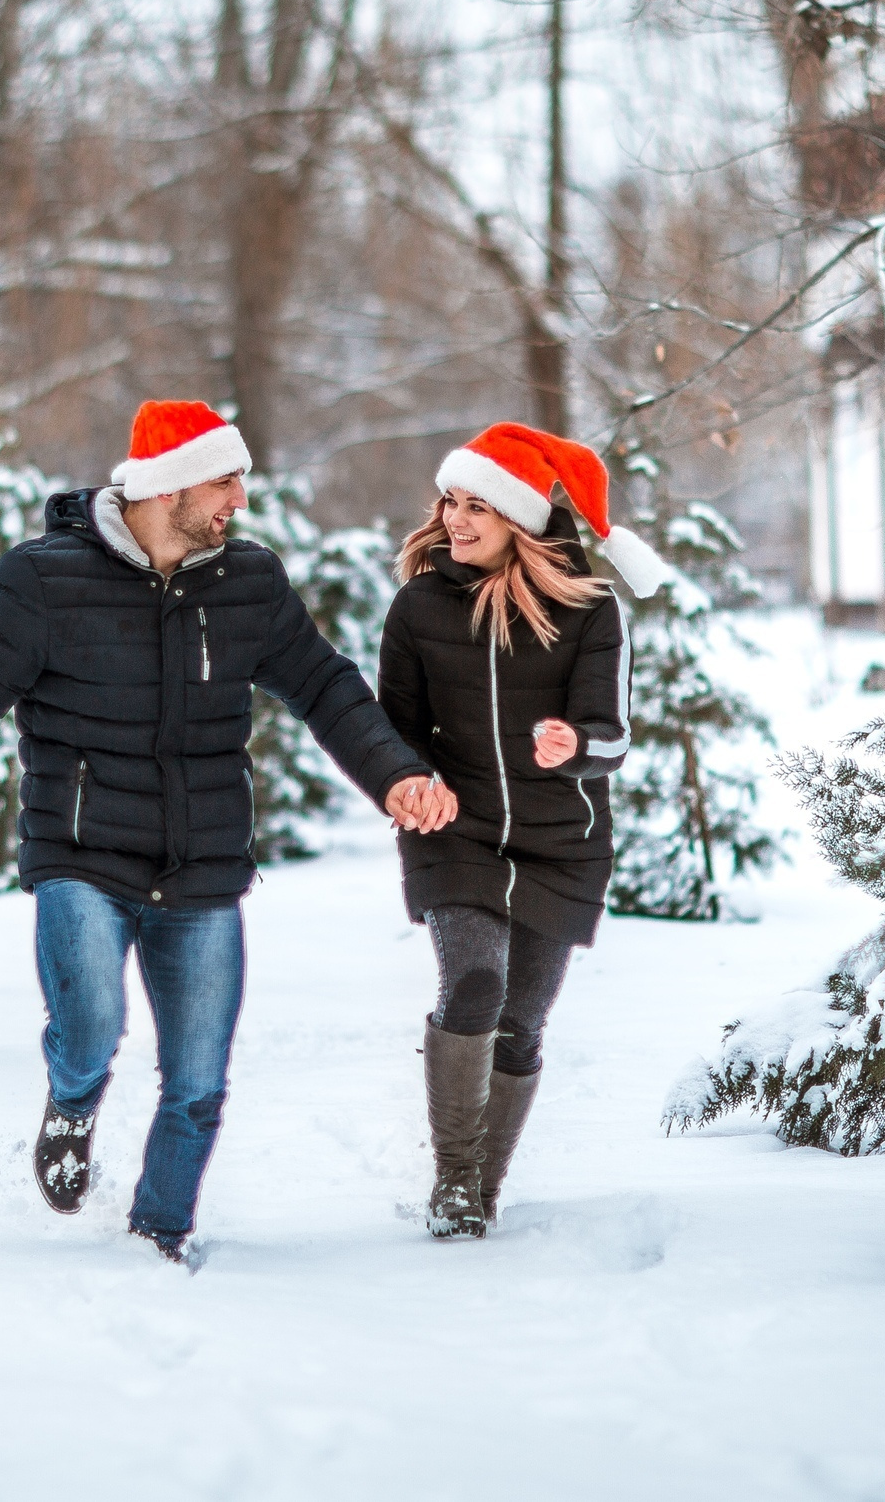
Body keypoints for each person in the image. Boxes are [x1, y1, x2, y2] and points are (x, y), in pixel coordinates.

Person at [0, 400, 459, 1263]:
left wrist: (396, 775)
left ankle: (158, 1236)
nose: (240, 501)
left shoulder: (247, 583)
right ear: (166, 485)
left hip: (203, 869)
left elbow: (326, 686)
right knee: (91, 1029)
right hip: (81, 857)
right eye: (224, 480)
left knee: (199, 1082)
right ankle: (73, 1102)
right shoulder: (42, 580)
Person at [377, 422, 668, 1240]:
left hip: (559, 842)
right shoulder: (419, 605)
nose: (456, 519)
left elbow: (611, 734)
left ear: (519, 519)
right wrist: (407, 785)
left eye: (478, 506)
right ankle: (456, 1183)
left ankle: (487, 1185)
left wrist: (576, 747)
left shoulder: (590, 610)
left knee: (523, 1022)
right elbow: (392, 732)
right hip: (456, 834)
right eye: (450, 501)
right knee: (473, 986)